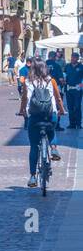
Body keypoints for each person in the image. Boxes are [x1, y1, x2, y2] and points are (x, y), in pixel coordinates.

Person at [19, 60, 64, 188]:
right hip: (50, 114)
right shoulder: (51, 81)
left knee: (34, 146)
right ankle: (54, 149)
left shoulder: (27, 82)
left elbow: (24, 98)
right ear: (45, 68)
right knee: (51, 130)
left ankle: (33, 176)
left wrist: (22, 110)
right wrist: (61, 110)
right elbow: (58, 97)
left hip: (34, 117)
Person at [65, 54, 83, 130]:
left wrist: (81, 84)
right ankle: (72, 123)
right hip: (69, 90)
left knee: (77, 107)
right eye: (72, 57)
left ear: (77, 58)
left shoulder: (81, 67)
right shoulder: (67, 66)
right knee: (70, 107)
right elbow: (64, 76)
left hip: (78, 90)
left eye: (74, 57)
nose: (72, 58)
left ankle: (78, 124)